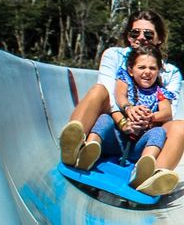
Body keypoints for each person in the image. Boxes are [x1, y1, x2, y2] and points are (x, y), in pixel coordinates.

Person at [58, 10, 184, 196]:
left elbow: (168, 114)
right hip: (115, 125)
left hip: (144, 133)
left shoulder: (170, 73)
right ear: (128, 36)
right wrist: (125, 117)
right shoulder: (114, 56)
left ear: (159, 38)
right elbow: (110, 96)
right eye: (135, 33)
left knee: (181, 126)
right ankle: (76, 146)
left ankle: (152, 177)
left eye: (148, 34)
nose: (141, 38)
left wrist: (146, 120)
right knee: (98, 91)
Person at [71, 45, 176, 194]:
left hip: (138, 145)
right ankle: (90, 149)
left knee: (159, 132)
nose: (147, 72)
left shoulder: (160, 93)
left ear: (158, 70)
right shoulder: (125, 79)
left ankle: (142, 168)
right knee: (105, 118)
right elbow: (119, 95)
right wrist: (129, 108)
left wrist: (151, 117)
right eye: (141, 67)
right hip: (118, 137)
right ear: (131, 70)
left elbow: (167, 112)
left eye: (152, 68)